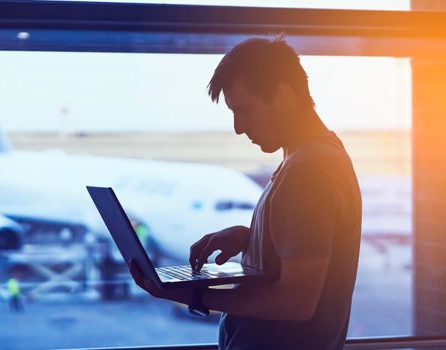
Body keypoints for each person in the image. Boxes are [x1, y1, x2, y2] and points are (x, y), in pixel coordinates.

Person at [129, 36, 362, 350]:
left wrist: (189, 293)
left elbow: (296, 302)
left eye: (245, 110)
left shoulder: (307, 172)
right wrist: (253, 239)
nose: (238, 127)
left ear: (283, 96)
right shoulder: (318, 156)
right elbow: (312, 243)